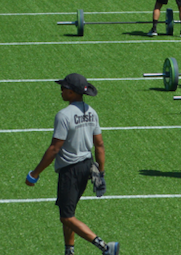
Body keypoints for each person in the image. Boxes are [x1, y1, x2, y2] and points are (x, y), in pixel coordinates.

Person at [26, 73, 119, 255]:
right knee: (68, 212)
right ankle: (69, 251)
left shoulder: (64, 115)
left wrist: (35, 174)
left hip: (70, 171)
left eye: (63, 88)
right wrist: (101, 172)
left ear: (71, 92)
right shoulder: (91, 112)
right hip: (87, 167)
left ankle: (106, 247)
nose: (60, 91)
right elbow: (99, 145)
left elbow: (54, 149)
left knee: (67, 217)